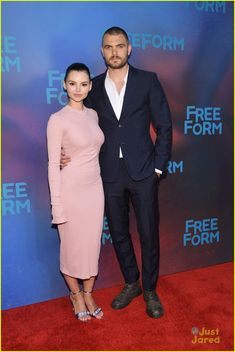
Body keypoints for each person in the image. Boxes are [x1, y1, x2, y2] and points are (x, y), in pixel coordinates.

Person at [62, 27, 172, 319]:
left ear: (129, 48)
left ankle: (149, 289)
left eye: (120, 46)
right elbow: (79, 123)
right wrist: (66, 153)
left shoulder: (148, 81)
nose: (114, 52)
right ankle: (132, 282)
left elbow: (165, 126)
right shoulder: (93, 87)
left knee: (148, 233)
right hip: (108, 172)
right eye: (109, 47)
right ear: (102, 51)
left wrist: (159, 167)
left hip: (144, 171)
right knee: (120, 233)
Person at [47, 63, 105, 322]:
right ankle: (75, 295)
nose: (78, 89)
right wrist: (56, 205)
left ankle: (89, 292)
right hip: (70, 191)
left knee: (92, 245)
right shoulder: (57, 119)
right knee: (71, 247)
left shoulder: (93, 115)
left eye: (83, 84)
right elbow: (52, 164)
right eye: (72, 83)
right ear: (64, 85)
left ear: (90, 85)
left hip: (95, 190)